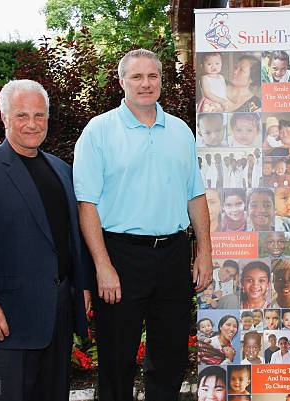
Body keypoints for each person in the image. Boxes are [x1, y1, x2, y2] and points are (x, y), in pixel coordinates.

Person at [73, 49, 212, 401]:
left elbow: (195, 197)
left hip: (173, 255)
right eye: (136, 77)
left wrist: (205, 253)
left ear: (161, 81)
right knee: (117, 357)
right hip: (120, 256)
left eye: (152, 76)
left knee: (171, 355)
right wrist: (102, 267)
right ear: (122, 82)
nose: (145, 84)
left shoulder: (180, 130)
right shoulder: (99, 131)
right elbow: (86, 204)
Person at [0, 80, 91, 401]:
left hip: (58, 315)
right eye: (22, 115)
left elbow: (71, 238)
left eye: (40, 115)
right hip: (6, 318)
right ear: (4, 118)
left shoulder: (60, 169)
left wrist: (81, 286)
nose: (32, 124)